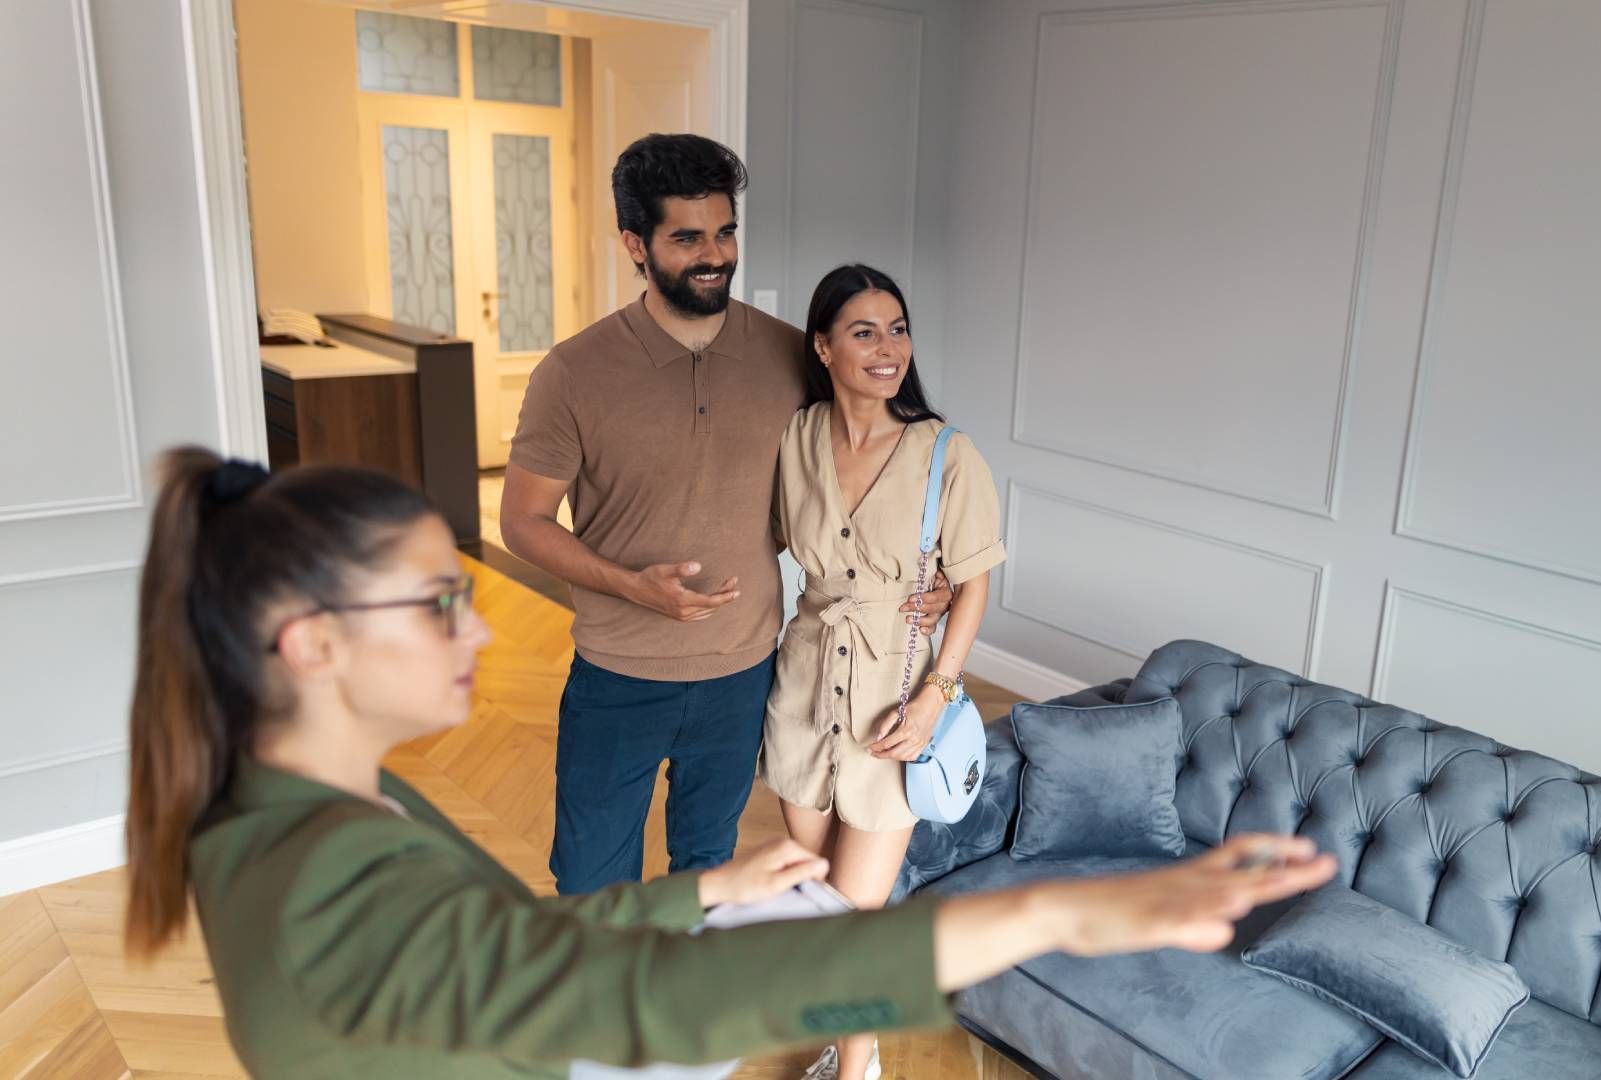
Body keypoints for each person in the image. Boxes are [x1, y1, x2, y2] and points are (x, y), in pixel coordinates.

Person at [123, 447, 1340, 1079]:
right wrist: (1059, 912)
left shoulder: (295, 802)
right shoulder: (328, 878)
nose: (483, 623)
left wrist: (703, 889)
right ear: (314, 643)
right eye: (442, 600)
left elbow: (512, 952)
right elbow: (653, 1003)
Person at [499, 133, 952, 895]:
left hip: (744, 674)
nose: (713, 254)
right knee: (589, 874)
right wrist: (632, 586)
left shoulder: (790, 358)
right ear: (634, 245)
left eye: (725, 231)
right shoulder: (572, 373)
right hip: (618, 676)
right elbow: (523, 523)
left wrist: (921, 578)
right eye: (687, 238)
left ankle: (687, 1005)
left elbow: (863, 480)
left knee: (707, 867)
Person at [760, 265, 1000, 1080]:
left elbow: (974, 584)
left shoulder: (946, 453)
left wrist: (938, 696)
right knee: (819, 898)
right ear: (823, 346)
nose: (888, 348)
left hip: (893, 708)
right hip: (801, 690)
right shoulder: (794, 438)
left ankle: (859, 1063)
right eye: (864, 332)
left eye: (898, 329)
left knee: (857, 914)